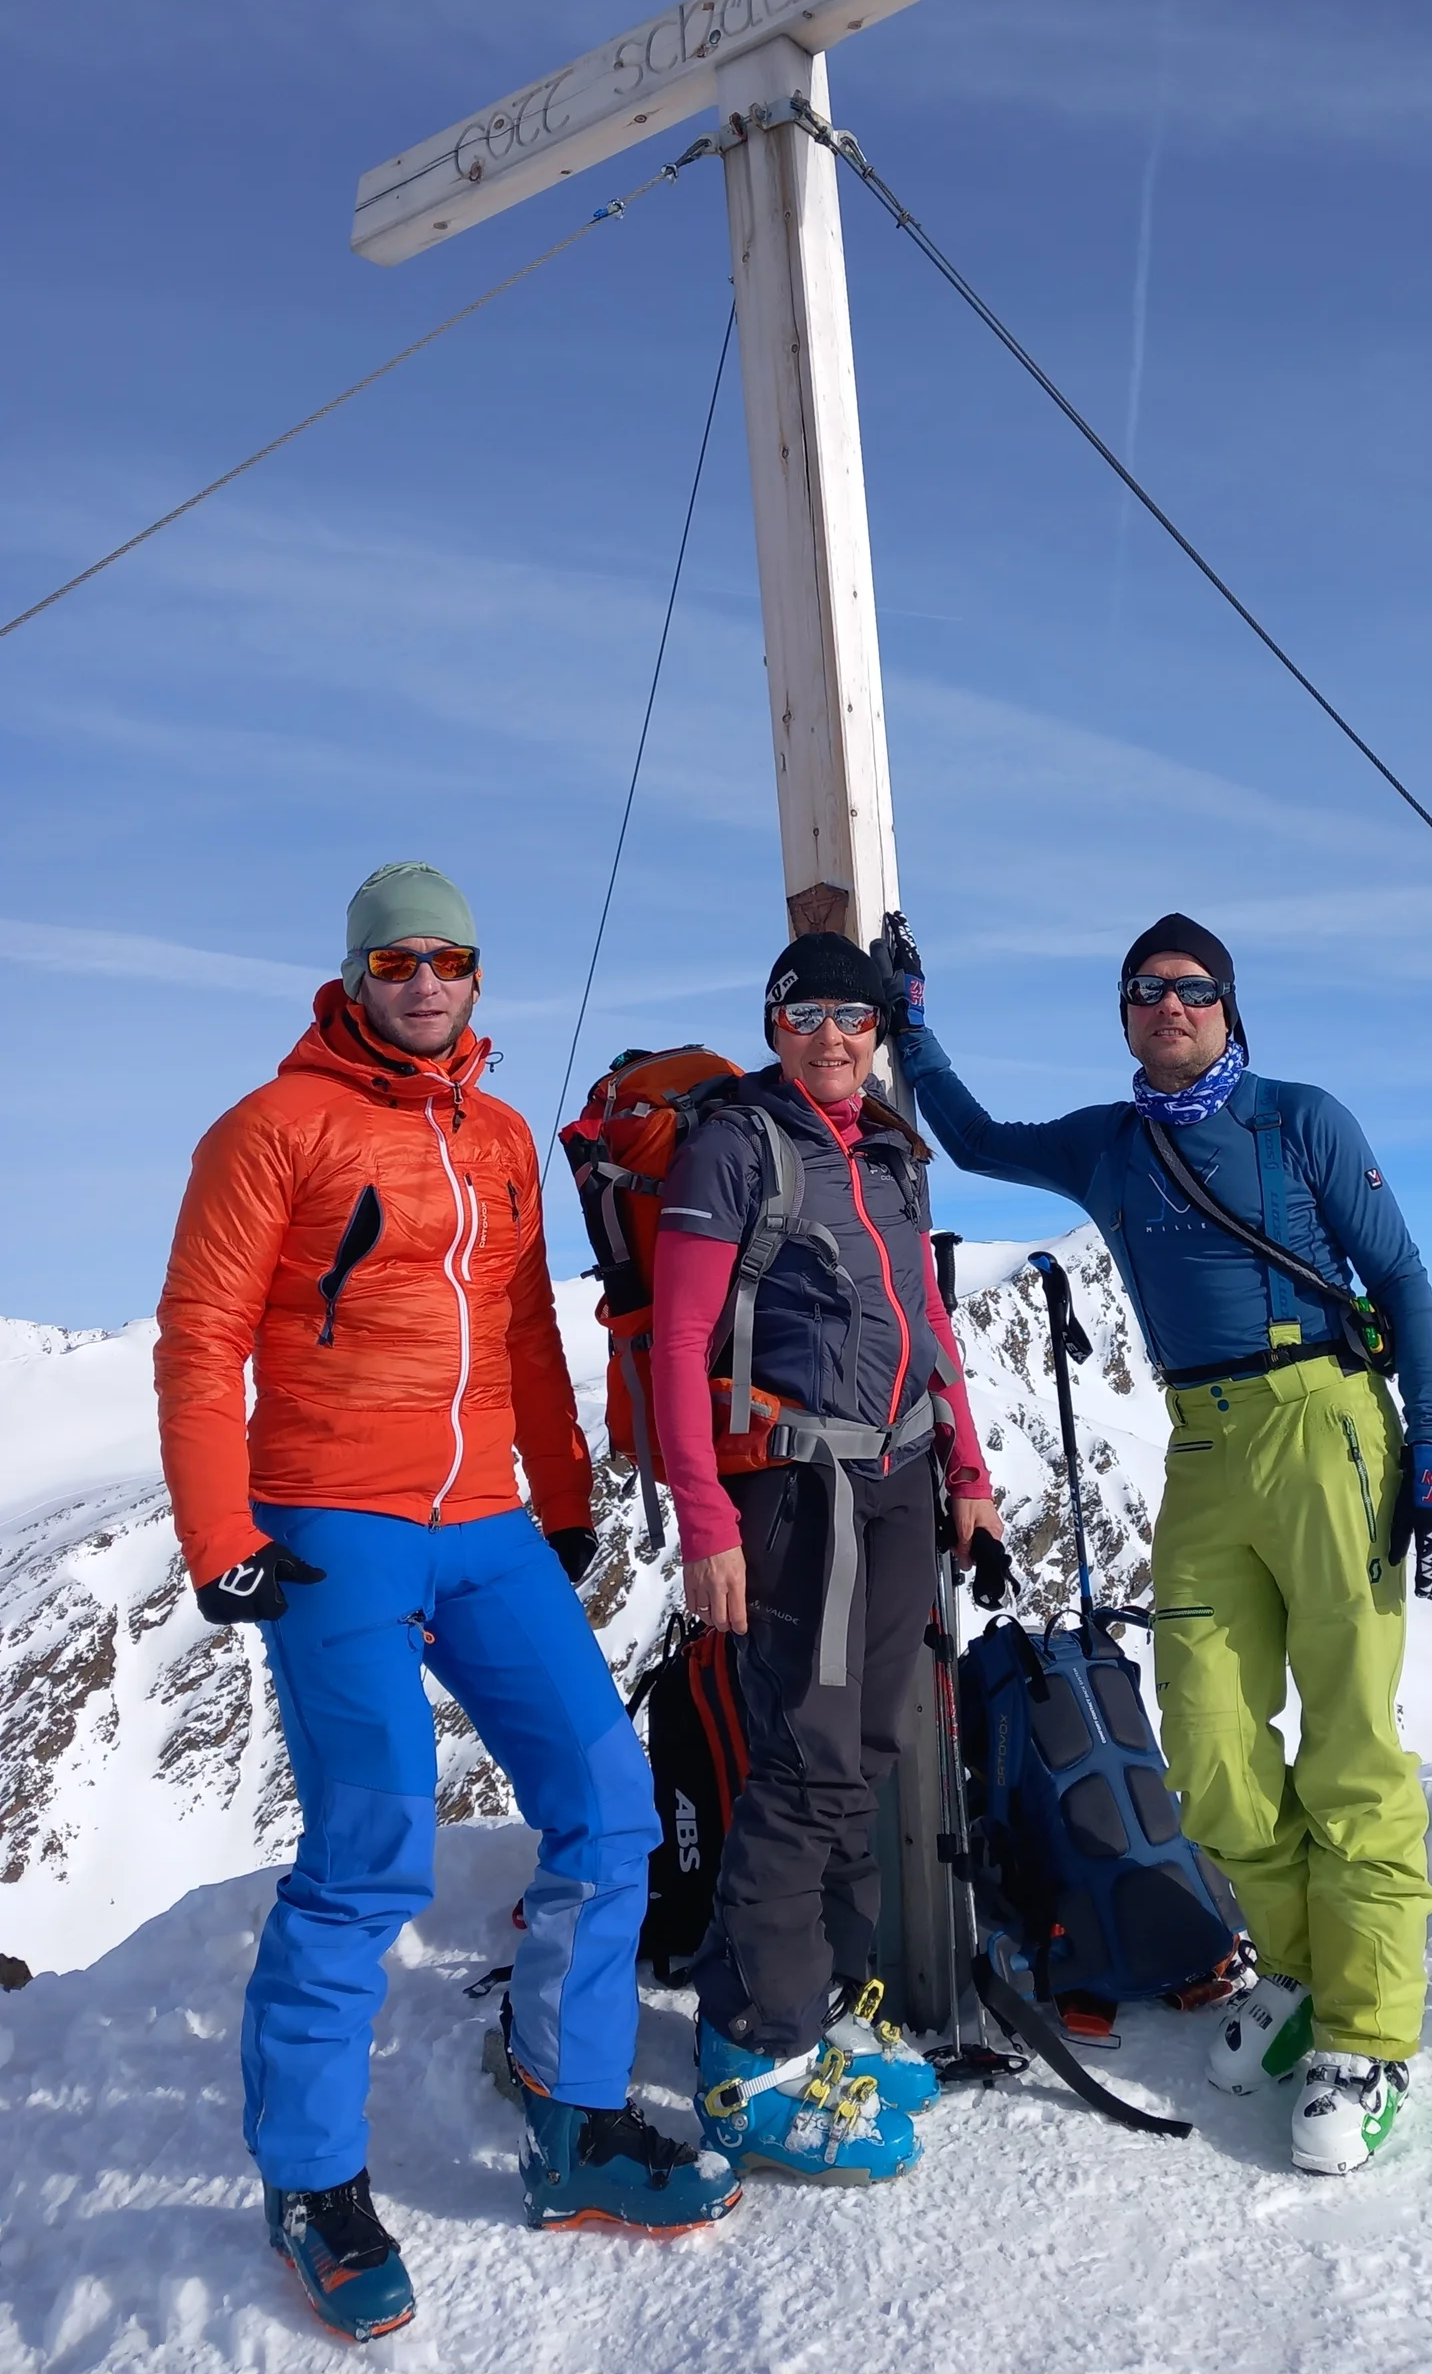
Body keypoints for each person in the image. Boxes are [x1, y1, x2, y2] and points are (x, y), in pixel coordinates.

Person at [154, 862, 738, 2344]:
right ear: (356, 976)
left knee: (609, 1803)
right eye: (398, 960)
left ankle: (571, 2108)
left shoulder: (493, 1137)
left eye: (450, 959)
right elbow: (201, 1335)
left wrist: (556, 1494)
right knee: (370, 1847)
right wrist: (219, 1532)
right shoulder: (272, 1128)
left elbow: (526, 1325)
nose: (425, 981)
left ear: (478, 978)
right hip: (333, 1521)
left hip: (485, 1521)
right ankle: (311, 2180)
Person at [884, 912, 1432, 2176]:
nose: (1170, 1005)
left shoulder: (1298, 1118)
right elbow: (978, 1139)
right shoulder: (1111, 1145)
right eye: (1146, 989)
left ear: (1229, 1005)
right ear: (1124, 1013)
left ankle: (1370, 2035)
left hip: (1325, 1424)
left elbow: (1405, 1281)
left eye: (1193, 988)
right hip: (1201, 1446)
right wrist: (914, 1030)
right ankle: (1305, 1977)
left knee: (1352, 1745)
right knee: (1206, 1742)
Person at [650, 931, 1003, 2182]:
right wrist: (703, 1521)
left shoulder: (892, 1151)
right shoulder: (738, 1145)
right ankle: (751, 2052)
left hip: (903, 1475)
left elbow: (930, 1322)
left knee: (866, 1751)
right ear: (774, 1022)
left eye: (856, 1016)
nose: (837, 1036)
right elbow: (680, 1342)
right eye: (810, 1015)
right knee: (805, 1763)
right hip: (800, 1492)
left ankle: (832, 2001)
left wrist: (967, 1471)